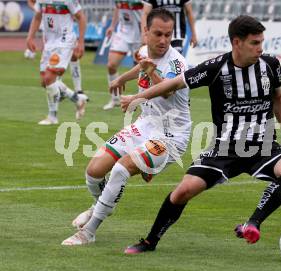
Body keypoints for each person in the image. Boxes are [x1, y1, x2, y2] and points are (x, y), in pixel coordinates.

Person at [120, 15, 281, 254]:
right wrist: (136, 97)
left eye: (261, 42)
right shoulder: (215, 68)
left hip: (263, 146)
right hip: (224, 148)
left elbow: (279, 96)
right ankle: (149, 241)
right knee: (182, 192)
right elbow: (173, 84)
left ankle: (253, 222)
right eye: (254, 43)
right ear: (237, 43)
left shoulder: (270, 64)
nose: (261, 48)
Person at [61, 8, 191, 246]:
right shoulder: (143, 52)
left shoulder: (177, 63)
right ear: (146, 32)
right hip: (144, 125)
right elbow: (142, 64)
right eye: (158, 34)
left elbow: (168, 90)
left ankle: (88, 232)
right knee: (93, 172)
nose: (163, 40)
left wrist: (146, 80)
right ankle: (100, 205)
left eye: (168, 35)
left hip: (171, 135)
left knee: (120, 170)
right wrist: (122, 79)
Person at [26, 0, 88, 125]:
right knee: (45, 82)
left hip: (64, 41)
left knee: (49, 78)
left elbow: (81, 17)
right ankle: (78, 100)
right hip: (49, 42)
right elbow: (37, 16)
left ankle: (52, 116)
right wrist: (30, 37)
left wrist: (81, 42)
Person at [103, 0, 145, 110]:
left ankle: (141, 100)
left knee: (142, 70)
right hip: (123, 32)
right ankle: (115, 99)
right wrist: (112, 26)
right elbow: (118, 7)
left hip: (139, 34)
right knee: (111, 65)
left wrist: (146, 34)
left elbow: (148, 9)